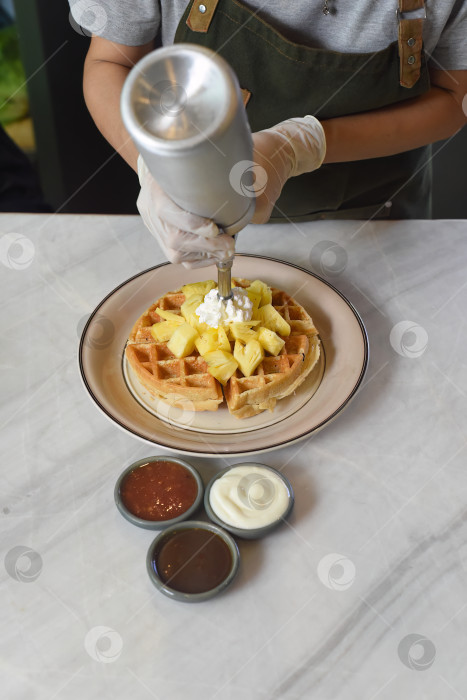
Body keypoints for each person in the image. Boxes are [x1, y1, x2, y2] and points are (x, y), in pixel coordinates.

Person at [69, 0, 467, 267]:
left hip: (382, 226)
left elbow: (454, 96)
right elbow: (110, 61)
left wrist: (299, 145)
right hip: (191, 220)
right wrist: (153, 169)